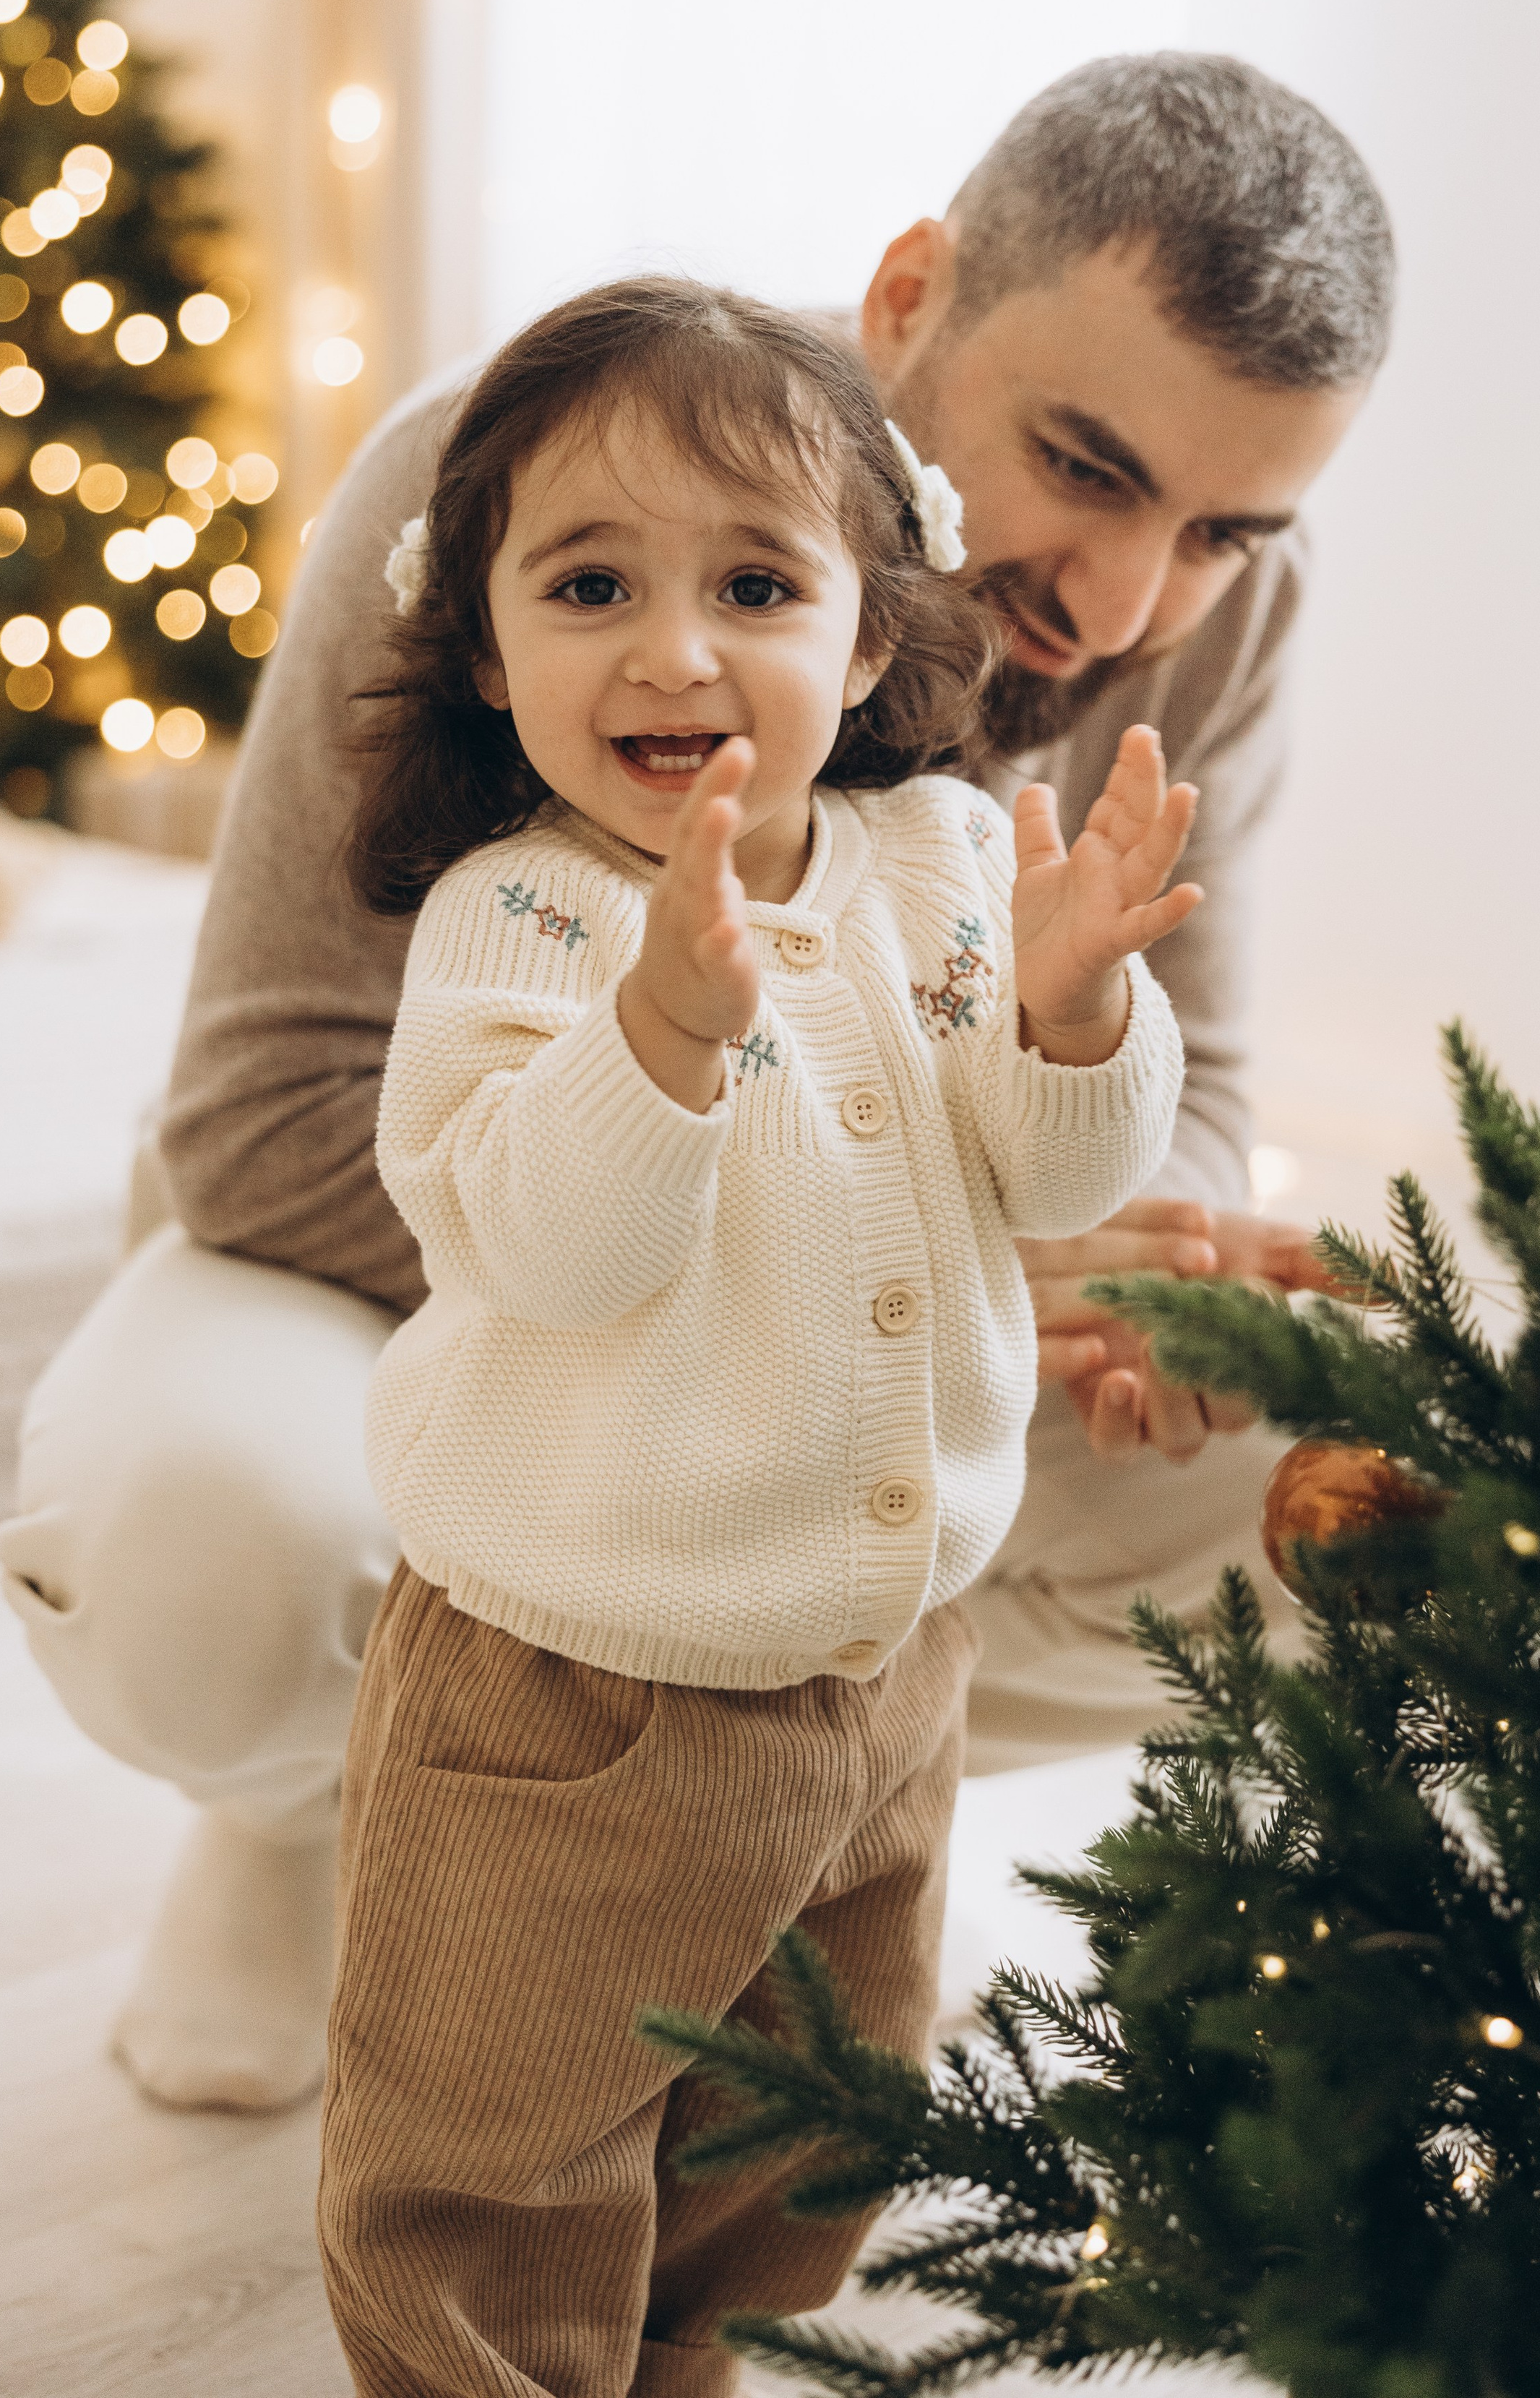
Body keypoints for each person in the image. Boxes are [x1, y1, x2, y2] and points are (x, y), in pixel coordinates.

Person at [0, 51, 1395, 2115]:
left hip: (871, 1330)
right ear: (911, 297)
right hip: (408, 1264)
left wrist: (1134, 1249)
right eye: (1087, 468)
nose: (1124, 608)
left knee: (1383, 1487)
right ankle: (344, 1812)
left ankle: (776, 1828)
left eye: (1225, 528)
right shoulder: (513, 484)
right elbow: (263, 1111)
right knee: (205, 1550)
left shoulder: (1220, 618)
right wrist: (782, 1222)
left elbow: (1192, 1087)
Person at [317, 278, 1192, 2391]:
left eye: (758, 582)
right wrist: (663, 1032)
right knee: (498, 2159)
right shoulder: (521, 916)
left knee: (805, 2138)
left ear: (870, 635)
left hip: (884, 1676)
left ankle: (693, 2362)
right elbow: (552, 1243)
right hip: (568, 1693)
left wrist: (1076, 1010)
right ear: (490, 637)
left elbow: (1056, 1174)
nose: (674, 646)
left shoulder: (946, 861)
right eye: (590, 582)